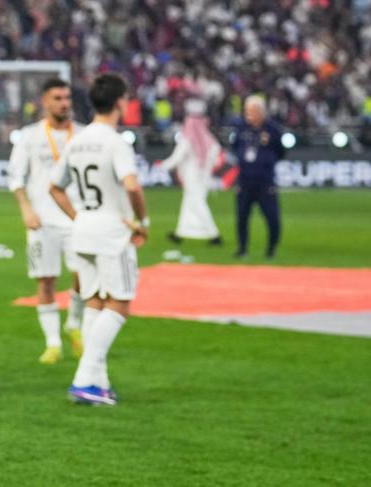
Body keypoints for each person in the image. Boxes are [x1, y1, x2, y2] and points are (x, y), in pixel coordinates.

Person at [49, 73, 150, 407]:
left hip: (84, 229)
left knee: (94, 301)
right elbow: (132, 185)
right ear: (121, 101)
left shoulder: (77, 139)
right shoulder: (115, 141)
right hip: (111, 231)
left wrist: (79, 218)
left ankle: (99, 384)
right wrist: (142, 222)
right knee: (119, 304)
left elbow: (55, 187)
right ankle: (83, 379)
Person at [8, 77, 86, 364]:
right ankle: (53, 343)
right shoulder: (29, 136)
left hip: (78, 218)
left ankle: (74, 323)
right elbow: (16, 177)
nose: (64, 103)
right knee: (46, 281)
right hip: (42, 220)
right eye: (58, 98)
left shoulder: (84, 134)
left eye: (67, 98)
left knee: (84, 278)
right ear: (45, 102)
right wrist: (26, 210)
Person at [162, 99, 222, 245]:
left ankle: (214, 235)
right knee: (189, 203)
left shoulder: (188, 139)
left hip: (193, 176)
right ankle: (180, 233)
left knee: (197, 204)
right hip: (204, 176)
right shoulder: (209, 139)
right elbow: (215, 153)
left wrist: (161, 166)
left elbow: (177, 157)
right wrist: (206, 166)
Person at [232, 95, 285, 259]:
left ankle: (271, 248)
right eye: (248, 111)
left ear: (262, 111)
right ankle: (242, 248)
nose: (250, 114)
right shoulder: (241, 128)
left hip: (265, 181)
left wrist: (267, 161)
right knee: (241, 216)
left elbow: (281, 152)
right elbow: (235, 148)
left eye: (253, 111)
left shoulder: (272, 129)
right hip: (245, 180)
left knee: (272, 216)